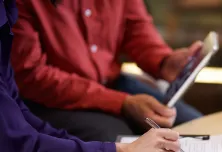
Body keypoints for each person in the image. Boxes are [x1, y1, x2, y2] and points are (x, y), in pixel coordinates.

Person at [0, 1, 181, 152]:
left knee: (182, 120)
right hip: (54, 97)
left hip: (107, 81)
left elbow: (19, 114)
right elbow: (19, 144)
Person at [11, 0, 203, 139]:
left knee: (197, 127)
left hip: (113, 84)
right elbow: (32, 76)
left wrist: (164, 61)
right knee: (120, 144)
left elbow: (135, 27)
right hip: (46, 100)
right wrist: (121, 103)